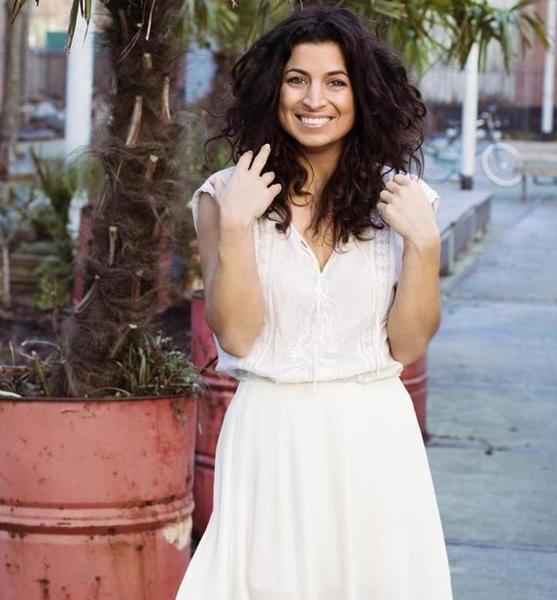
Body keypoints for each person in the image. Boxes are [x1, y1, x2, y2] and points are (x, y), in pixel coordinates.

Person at [176, 7, 453, 600]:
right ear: (273, 89)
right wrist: (237, 226)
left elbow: (407, 344)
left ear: (363, 95)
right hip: (270, 435)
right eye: (297, 79)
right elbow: (237, 336)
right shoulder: (227, 195)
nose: (314, 99)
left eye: (336, 81)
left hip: (375, 436)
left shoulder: (404, 200)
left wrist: (424, 244)